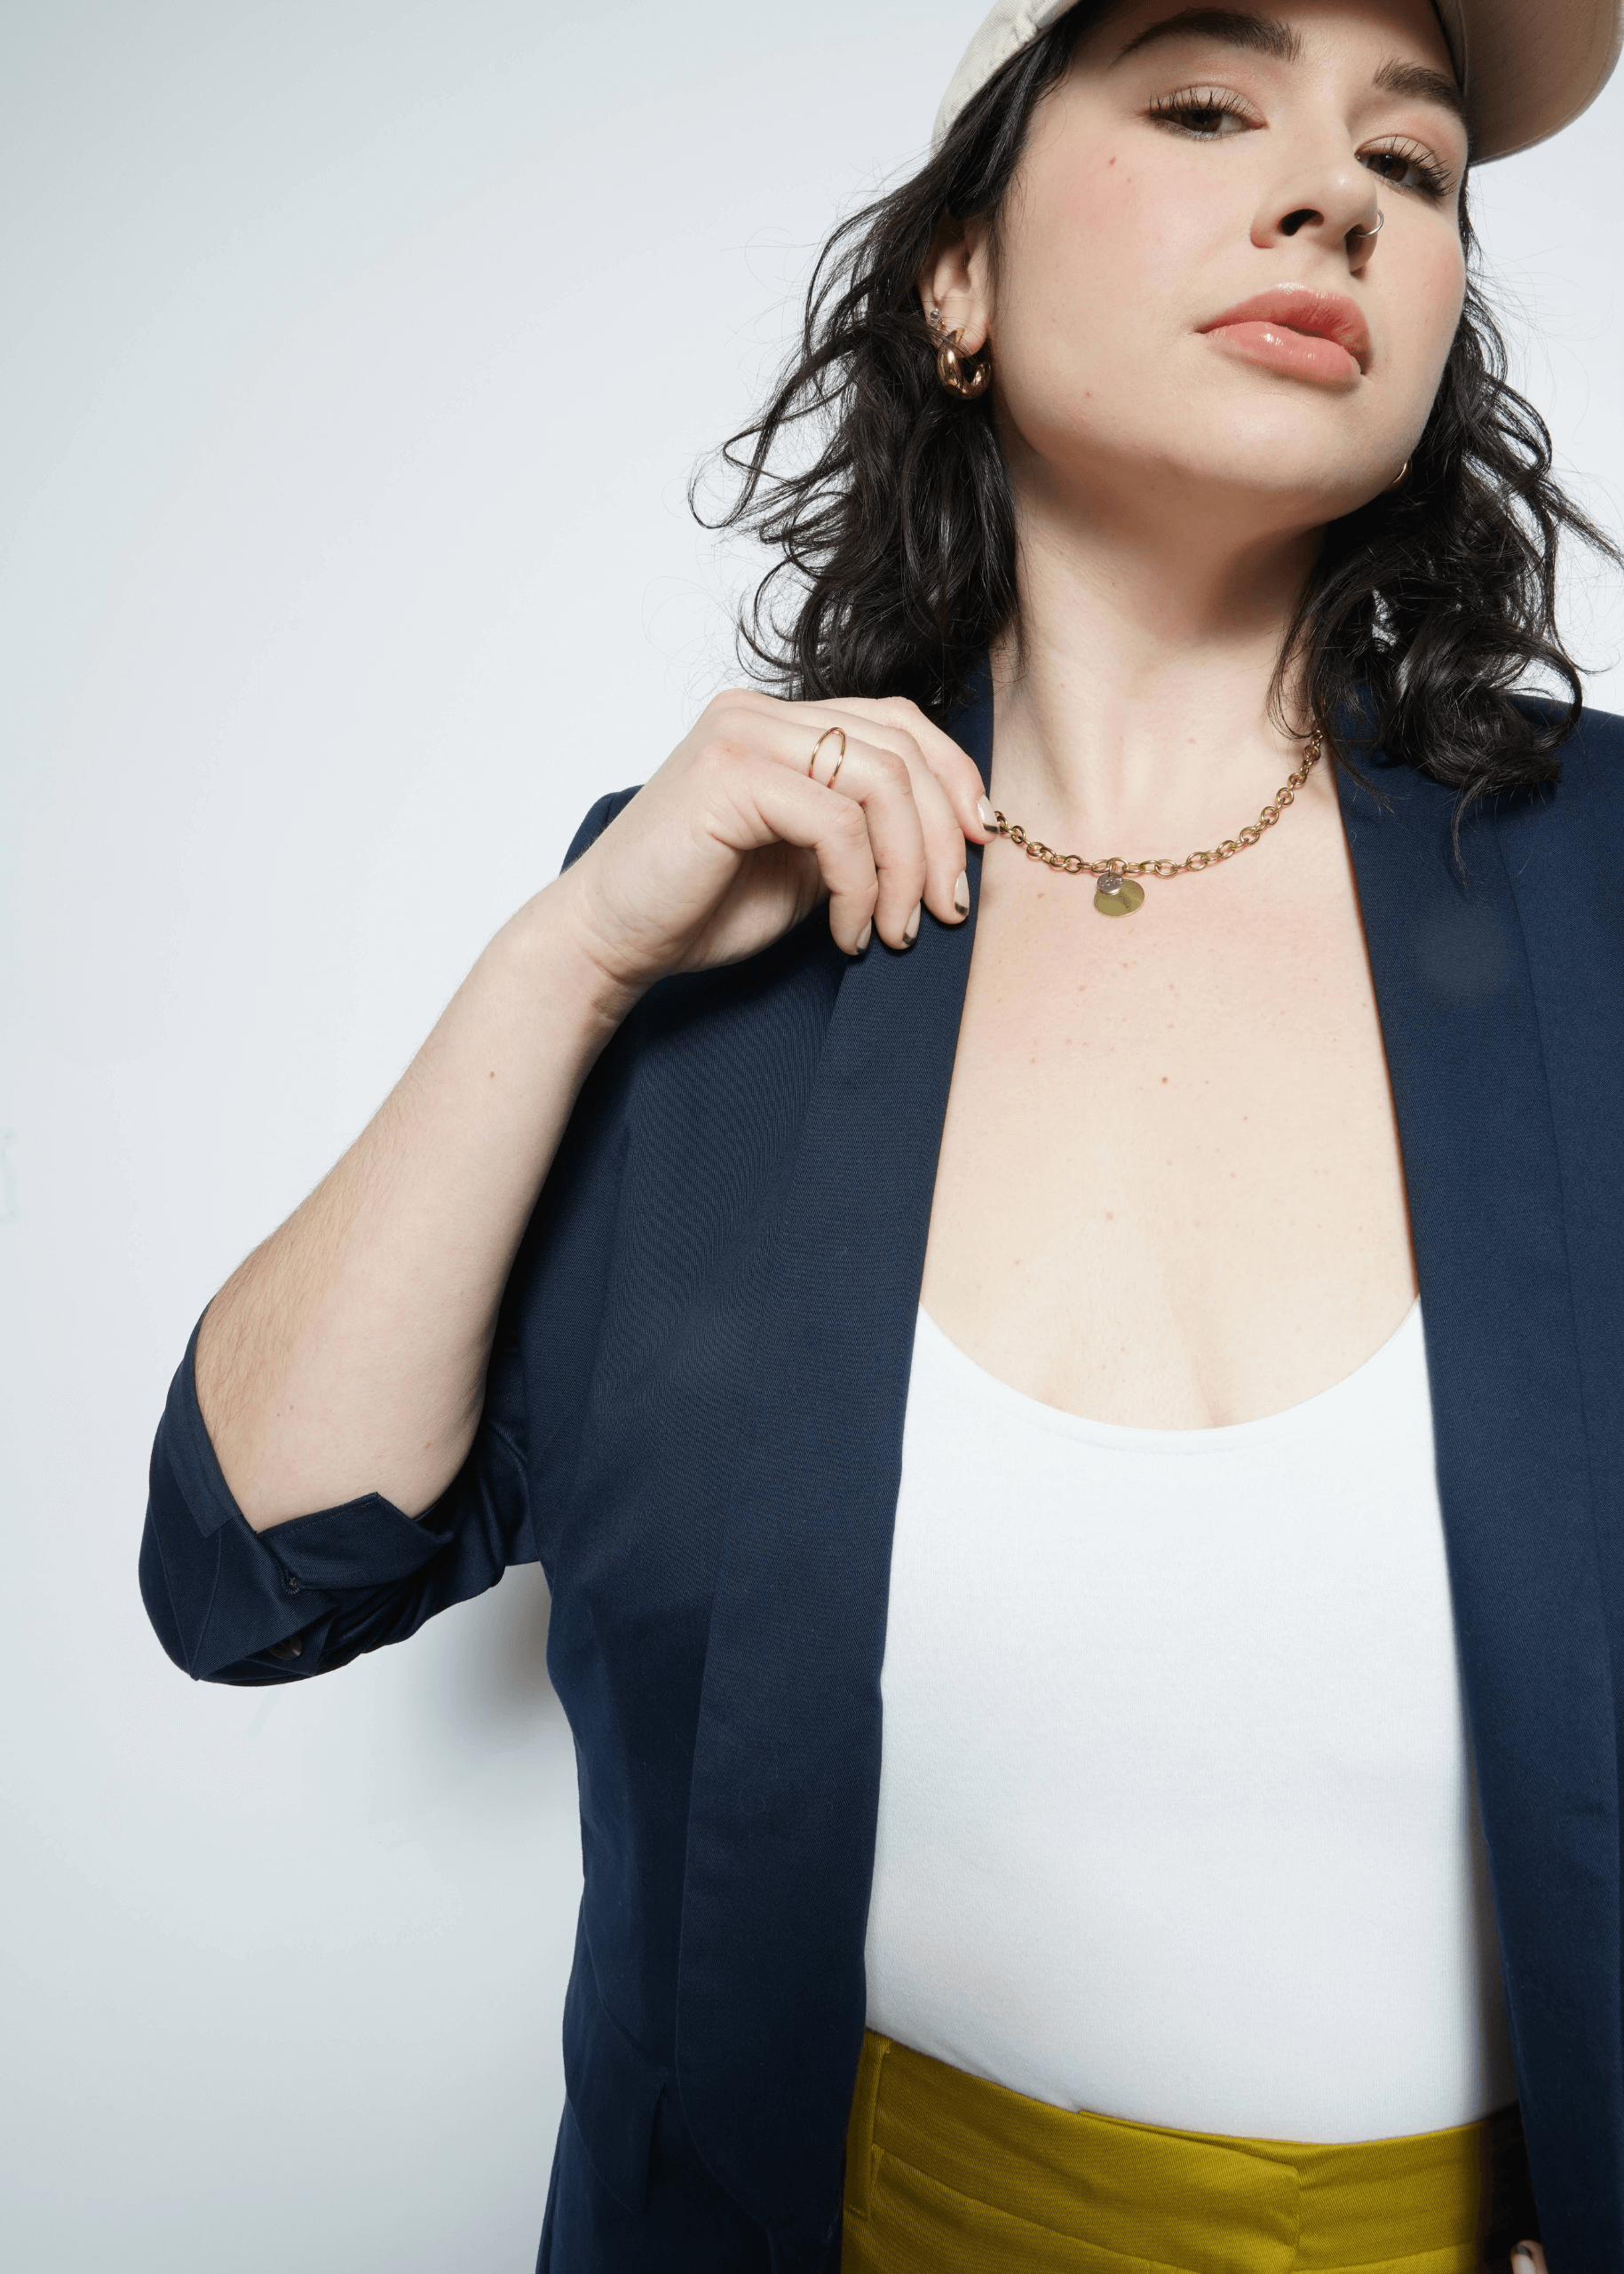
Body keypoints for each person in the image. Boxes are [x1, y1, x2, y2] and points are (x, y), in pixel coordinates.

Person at [139, 0, 1624, 2267]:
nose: (1330, 189)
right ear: (956, 279)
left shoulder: (1601, 886)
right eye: (1210, 105)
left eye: (1408, 167)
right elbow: (258, 1562)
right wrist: (571, 952)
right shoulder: (710, 940)